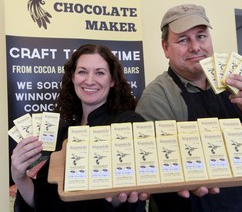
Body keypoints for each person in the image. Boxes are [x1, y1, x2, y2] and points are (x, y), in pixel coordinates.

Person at [135, 4, 242, 212]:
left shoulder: (233, 78)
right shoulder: (158, 95)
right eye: (183, 40)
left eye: (201, 36)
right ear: (165, 48)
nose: (195, 47)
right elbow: (157, 164)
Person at [11, 44, 148, 212]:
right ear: (73, 77)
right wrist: (19, 177)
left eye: (100, 72)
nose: (89, 80)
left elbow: (130, 201)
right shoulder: (59, 131)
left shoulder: (129, 125)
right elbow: (42, 201)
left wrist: (117, 199)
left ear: (112, 80)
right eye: (82, 71)